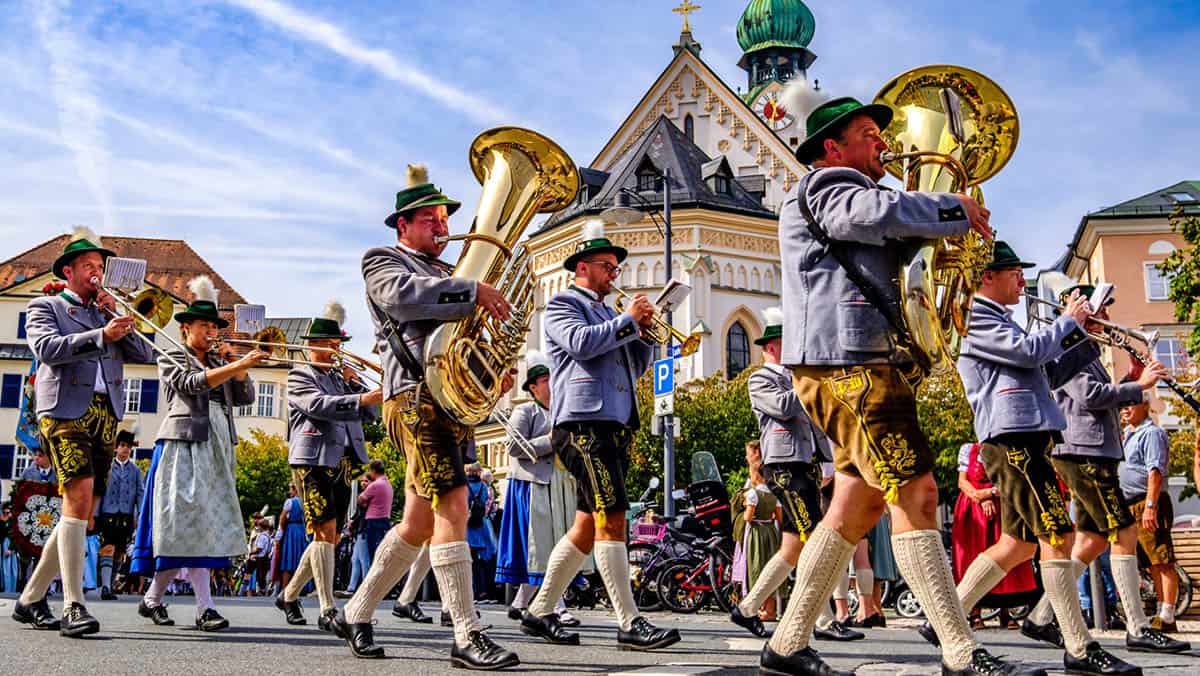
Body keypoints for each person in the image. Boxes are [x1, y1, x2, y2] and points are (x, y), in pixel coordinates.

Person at [774, 96, 1019, 676]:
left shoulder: (863, 191)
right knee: (919, 493)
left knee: (851, 511)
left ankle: (784, 646)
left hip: (861, 361)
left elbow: (893, 238)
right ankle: (959, 652)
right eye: (867, 134)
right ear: (833, 148)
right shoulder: (827, 185)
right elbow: (867, 216)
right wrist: (952, 207)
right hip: (850, 363)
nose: (883, 143)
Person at [335, 164, 519, 669]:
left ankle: (357, 609)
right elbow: (403, 298)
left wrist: (493, 370)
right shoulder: (383, 259)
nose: (443, 227)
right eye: (432, 219)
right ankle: (466, 634)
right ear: (404, 225)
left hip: (449, 400)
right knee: (454, 505)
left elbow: (466, 338)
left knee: (418, 521)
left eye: (444, 219)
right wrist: (471, 291)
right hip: (415, 398)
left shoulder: (450, 272)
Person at [950, 242, 1139, 675]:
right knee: (1058, 535)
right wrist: (1068, 321)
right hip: (1012, 435)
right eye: (1015, 272)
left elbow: (1048, 372)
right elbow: (1031, 353)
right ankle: (1078, 647)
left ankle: (948, 617)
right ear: (986, 277)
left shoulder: (1004, 320)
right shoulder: (977, 315)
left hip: (1029, 433)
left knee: (1017, 543)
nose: (1022, 280)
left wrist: (1082, 332)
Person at [520, 220, 680, 653]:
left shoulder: (610, 314)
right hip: (582, 424)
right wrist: (628, 321)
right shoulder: (561, 305)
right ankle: (628, 621)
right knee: (614, 516)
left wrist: (644, 335)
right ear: (583, 266)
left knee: (587, 525)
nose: (615, 275)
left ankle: (540, 610)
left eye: (615, 268)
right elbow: (580, 344)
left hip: (613, 421)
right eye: (608, 266)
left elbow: (634, 366)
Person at [1018, 285, 1186, 654]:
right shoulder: (1073, 346)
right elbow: (1090, 396)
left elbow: (1102, 393)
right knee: (1124, 531)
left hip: (1094, 448)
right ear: (1088, 313)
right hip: (1083, 450)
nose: (1110, 318)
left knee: (1092, 541)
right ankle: (1138, 628)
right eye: (1104, 311)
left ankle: (1041, 617)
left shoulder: (1088, 348)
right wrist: (1137, 387)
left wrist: (1132, 380)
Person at [13, 227, 153, 637]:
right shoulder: (46, 306)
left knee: (83, 510)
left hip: (105, 413)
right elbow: (47, 350)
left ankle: (30, 597)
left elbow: (144, 354)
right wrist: (99, 335)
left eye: (100, 266)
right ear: (69, 270)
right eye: (89, 266)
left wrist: (114, 318)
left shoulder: (105, 311)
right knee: (75, 497)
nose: (97, 272)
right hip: (63, 411)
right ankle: (74, 604)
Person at [130, 274, 267, 632]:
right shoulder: (171, 353)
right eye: (203, 325)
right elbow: (189, 385)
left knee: (199, 525)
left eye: (213, 326)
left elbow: (247, 398)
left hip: (218, 445)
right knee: (187, 523)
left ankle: (152, 599)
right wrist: (233, 367)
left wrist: (237, 368)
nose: (210, 331)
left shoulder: (218, 360)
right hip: (184, 443)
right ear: (186, 327)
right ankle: (204, 607)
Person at [731, 307, 860, 643]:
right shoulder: (760, 378)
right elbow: (786, 408)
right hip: (783, 466)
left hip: (803, 464)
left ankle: (746, 608)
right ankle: (823, 619)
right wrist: (807, 381)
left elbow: (814, 424)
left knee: (791, 548)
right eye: (787, 343)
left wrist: (829, 461)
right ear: (772, 347)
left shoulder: (794, 380)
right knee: (813, 538)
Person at [275, 302, 381, 631]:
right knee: (323, 530)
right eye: (331, 344)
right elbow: (318, 406)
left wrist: (355, 386)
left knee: (330, 537)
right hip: (312, 460)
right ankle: (327, 608)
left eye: (339, 345)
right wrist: (360, 399)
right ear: (313, 345)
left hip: (343, 461)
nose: (337, 350)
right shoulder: (299, 375)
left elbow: (370, 414)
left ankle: (289, 595)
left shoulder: (338, 378)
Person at [494, 352, 585, 626]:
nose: (551, 384)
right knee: (545, 548)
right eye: (546, 380)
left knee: (553, 546)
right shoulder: (525, 411)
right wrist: (550, 440)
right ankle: (556, 606)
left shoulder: (561, 411)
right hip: (532, 485)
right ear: (533, 386)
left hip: (559, 484)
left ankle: (521, 603)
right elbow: (513, 447)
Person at [951, 443, 1038, 630]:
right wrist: (978, 496)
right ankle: (974, 612)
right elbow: (962, 481)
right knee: (973, 555)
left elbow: (1012, 479)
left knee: (1007, 553)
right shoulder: (969, 449)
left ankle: (1006, 610)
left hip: (1003, 505)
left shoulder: (1005, 448)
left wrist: (990, 493)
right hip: (972, 511)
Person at [1120, 392, 1183, 634]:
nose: (1125, 410)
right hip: (1131, 504)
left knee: (1162, 559)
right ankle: (1160, 610)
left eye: (1130, 404)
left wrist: (1150, 506)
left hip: (1147, 502)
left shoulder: (1151, 433)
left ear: (1145, 405)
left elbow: (1154, 472)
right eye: (1122, 406)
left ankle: (1167, 614)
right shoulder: (1128, 434)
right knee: (1149, 563)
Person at [95, 427, 145, 600]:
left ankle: (112, 582)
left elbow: (140, 493)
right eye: (122, 445)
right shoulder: (107, 467)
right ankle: (106, 586)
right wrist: (95, 514)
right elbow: (99, 491)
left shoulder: (135, 470)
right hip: (108, 513)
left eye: (128, 446)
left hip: (126, 515)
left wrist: (139, 515)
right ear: (116, 448)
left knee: (120, 552)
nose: (125, 449)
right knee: (107, 548)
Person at [740, 442, 783, 624]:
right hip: (771, 532)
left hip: (757, 533)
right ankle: (770, 610)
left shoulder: (753, 494)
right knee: (770, 569)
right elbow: (779, 517)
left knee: (756, 568)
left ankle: (759, 608)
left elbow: (747, 518)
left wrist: (745, 509)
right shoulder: (774, 494)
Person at [466, 464, 498, 600]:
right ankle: (482, 590)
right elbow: (486, 504)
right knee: (480, 562)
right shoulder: (484, 487)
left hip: (466, 526)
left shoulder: (464, 485)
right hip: (480, 525)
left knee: (466, 562)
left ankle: (469, 591)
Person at [357, 460, 393, 564]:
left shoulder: (375, 485)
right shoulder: (388, 485)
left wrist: (363, 497)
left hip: (373, 522)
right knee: (381, 554)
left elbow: (360, 499)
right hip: (385, 521)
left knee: (372, 556)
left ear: (373, 471)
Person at [276, 483, 307, 597]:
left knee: (287, 560)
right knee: (301, 559)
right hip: (302, 531)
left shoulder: (290, 502)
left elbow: (282, 518)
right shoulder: (305, 502)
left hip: (291, 530)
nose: (290, 492)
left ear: (295, 489)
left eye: (291, 489)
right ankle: (302, 588)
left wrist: (282, 531)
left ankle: (284, 589)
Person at [1, 503, 18, 593]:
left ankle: (11, 589)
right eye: (6, 511)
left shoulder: (12, 521)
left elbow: (14, 534)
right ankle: (7, 589)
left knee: (12, 568)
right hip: (4, 543)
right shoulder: (3, 520)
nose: (7, 512)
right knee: (6, 568)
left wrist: (10, 549)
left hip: (10, 543)